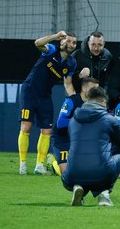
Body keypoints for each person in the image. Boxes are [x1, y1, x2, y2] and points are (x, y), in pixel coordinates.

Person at [18, 31, 77, 175]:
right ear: (62, 41)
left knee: (47, 130)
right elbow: (37, 43)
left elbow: (68, 84)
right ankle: (23, 164)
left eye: (74, 42)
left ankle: (39, 165)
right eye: (68, 41)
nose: (71, 44)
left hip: (45, 96)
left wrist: (75, 100)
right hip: (30, 91)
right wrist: (55, 36)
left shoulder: (71, 63)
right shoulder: (51, 50)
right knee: (26, 126)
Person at [62, 87, 120, 207]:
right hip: (101, 174)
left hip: (71, 176)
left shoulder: (73, 119)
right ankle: (104, 194)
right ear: (104, 102)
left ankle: (79, 189)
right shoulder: (109, 119)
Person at [51, 77, 100, 176]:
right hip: (63, 139)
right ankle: (54, 163)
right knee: (67, 173)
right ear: (83, 88)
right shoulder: (71, 101)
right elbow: (60, 123)